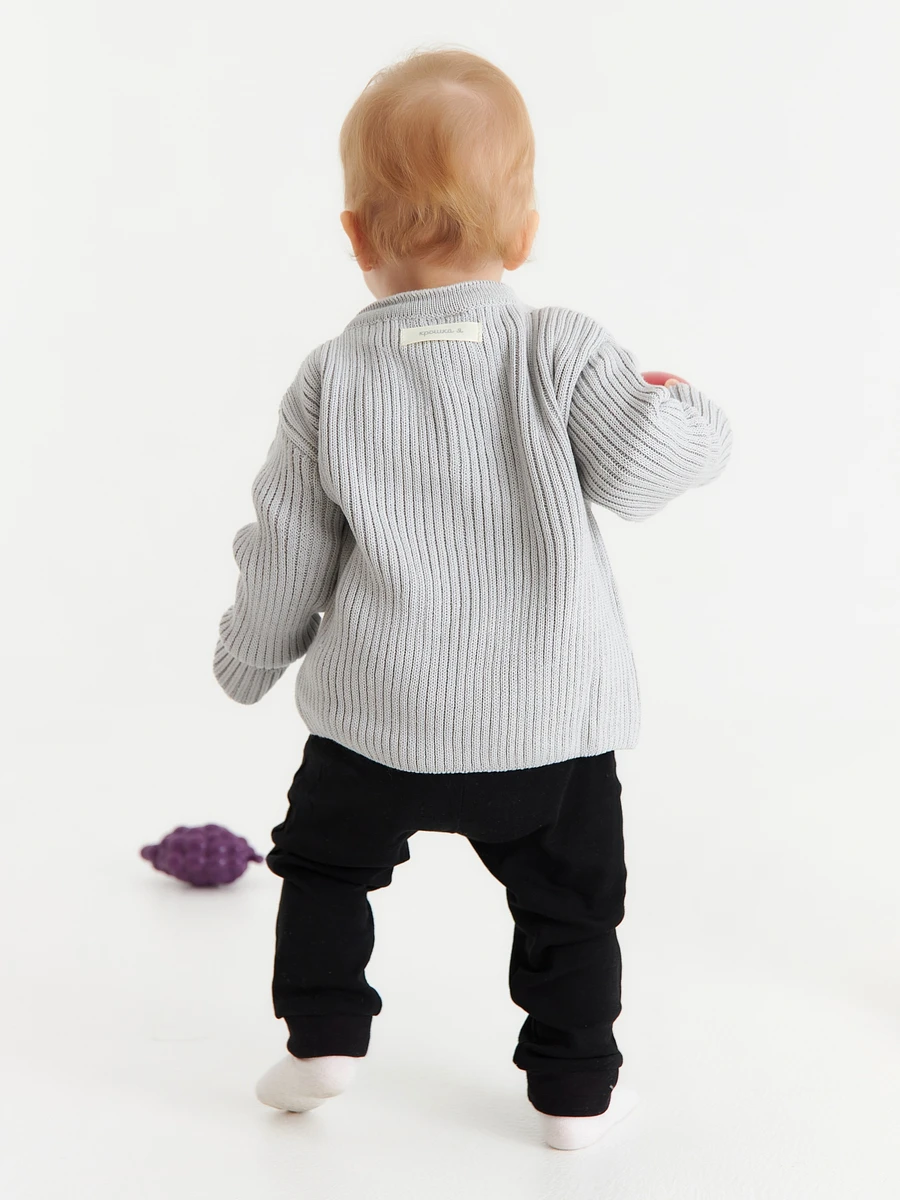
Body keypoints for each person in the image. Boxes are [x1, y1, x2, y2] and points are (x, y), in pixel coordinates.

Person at [213, 46, 733, 1151]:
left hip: (377, 720)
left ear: (355, 236)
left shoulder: (332, 377)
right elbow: (645, 470)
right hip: (548, 724)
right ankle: (574, 1091)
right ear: (525, 233)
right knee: (572, 906)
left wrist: (251, 656)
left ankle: (322, 1038)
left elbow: (287, 545)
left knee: (321, 869)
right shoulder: (557, 348)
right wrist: (687, 406)